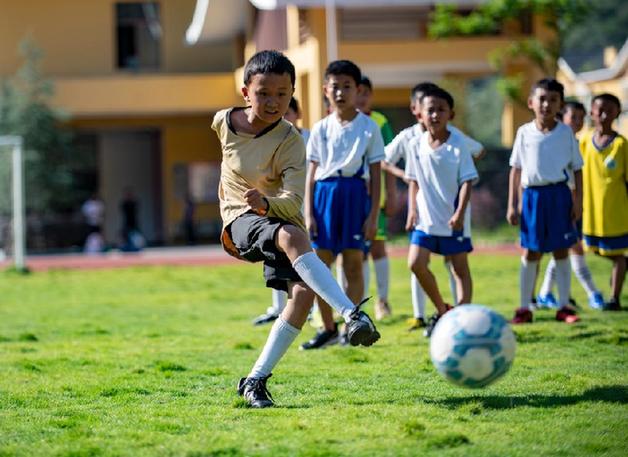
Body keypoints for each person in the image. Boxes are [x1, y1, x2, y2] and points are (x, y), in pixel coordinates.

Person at [211, 50, 380, 408]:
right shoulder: (223, 121)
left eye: (282, 94)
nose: (273, 102)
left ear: (292, 94)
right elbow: (231, 159)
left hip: (277, 218)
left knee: (302, 296)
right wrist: (234, 193)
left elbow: (292, 202)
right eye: (263, 93)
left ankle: (254, 380)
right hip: (239, 221)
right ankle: (352, 314)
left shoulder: (292, 141)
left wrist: (267, 203)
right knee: (292, 236)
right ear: (245, 92)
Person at [383, 82, 484, 331]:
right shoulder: (415, 143)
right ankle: (442, 309)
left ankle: (461, 320)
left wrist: (460, 213)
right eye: (430, 110)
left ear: (451, 114)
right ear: (420, 113)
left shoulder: (458, 144)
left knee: (459, 268)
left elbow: (467, 182)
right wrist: (413, 212)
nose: (435, 114)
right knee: (416, 264)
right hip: (425, 220)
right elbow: (414, 180)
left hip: (452, 220)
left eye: (441, 109)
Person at [300, 60, 385, 350]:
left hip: (354, 194)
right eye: (335, 86)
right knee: (320, 266)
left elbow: (375, 175)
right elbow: (311, 175)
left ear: (358, 89)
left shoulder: (369, 128)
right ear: (325, 90)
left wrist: (373, 216)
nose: (340, 92)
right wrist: (309, 212)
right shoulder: (320, 128)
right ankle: (327, 328)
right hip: (324, 195)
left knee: (352, 265)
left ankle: (353, 326)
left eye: (347, 86)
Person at [507, 78, 583, 324]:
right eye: (542, 99)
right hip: (532, 197)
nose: (546, 105)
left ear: (560, 104)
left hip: (559, 195)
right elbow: (516, 170)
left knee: (561, 250)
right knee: (531, 252)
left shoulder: (565, 133)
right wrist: (512, 203)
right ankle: (523, 307)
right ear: (531, 102)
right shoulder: (524, 133)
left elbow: (577, 169)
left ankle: (564, 307)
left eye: (553, 100)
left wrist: (578, 200)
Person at [536, 101, 605, 309]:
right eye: (573, 117)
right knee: (572, 248)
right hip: (559, 202)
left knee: (565, 248)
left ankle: (545, 293)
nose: (577, 122)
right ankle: (593, 293)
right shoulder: (556, 143)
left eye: (581, 118)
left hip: (573, 204)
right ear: (561, 118)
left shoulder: (577, 142)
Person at [253, 97, 309, 326]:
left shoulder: (309, 138)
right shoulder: (268, 141)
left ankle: (310, 307)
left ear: (297, 114)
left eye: (289, 113)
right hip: (275, 206)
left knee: (306, 257)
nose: (285, 118)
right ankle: (278, 308)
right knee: (276, 256)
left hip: (304, 205)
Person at [351, 75, 397, 320]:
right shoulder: (342, 122)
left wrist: (392, 194)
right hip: (350, 197)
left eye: (365, 93)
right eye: (357, 92)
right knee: (354, 252)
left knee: (378, 248)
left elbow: (387, 162)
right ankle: (357, 303)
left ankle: (383, 301)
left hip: (374, 198)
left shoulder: (379, 121)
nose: (361, 98)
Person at [580, 93, 627, 310]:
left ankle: (614, 298)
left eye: (609, 109)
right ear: (591, 112)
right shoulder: (584, 140)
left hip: (615, 211)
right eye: (599, 109)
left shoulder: (621, 144)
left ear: (617, 112)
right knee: (593, 249)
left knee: (617, 254)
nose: (604, 114)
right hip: (591, 210)